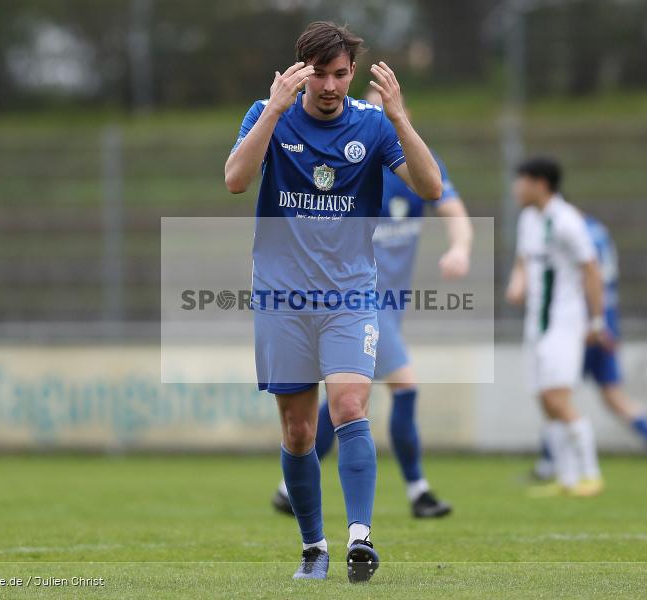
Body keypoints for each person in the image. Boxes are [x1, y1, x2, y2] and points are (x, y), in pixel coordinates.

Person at [224, 21, 442, 581]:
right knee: (298, 432)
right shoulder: (267, 113)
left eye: (339, 74)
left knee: (349, 407)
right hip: (282, 299)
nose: (329, 86)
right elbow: (236, 180)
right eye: (319, 74)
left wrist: (400, 118)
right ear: (301, 73)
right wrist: (273, 111)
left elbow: (431, 188)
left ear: (352, 73)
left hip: (350, 295)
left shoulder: (373, 125)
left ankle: (360, 539)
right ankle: (313, 547)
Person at [271, 86, 472, 519]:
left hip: (390, 306)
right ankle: (418, 490)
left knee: (345, 403)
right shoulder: (346, 161)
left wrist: (460, 248)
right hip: (355, 297)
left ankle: (291, 486)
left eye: (385, 111)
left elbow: (452, 208)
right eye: (369, 110)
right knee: (401, 387)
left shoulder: (415, 164)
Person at [532, 215, 647, 482]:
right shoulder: (599, 231)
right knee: (612, 394)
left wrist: (592, 323)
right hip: (608, 321)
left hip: (585, 327)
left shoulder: (571, 231)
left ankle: (551, 463)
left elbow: (586, 279)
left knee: (554, 393)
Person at [505, 157, 605, 498]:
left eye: (521, 181)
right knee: (544, 400)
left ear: (540, 184)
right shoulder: (528, 219)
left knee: (557, 398)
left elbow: (591, 270)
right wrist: (517, 282)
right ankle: (566, 477)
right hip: (536, 323)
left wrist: (596, 320)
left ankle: (591, 474)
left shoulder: (567, 221)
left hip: (564, 323)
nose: (516, 188)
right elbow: (523, 260)